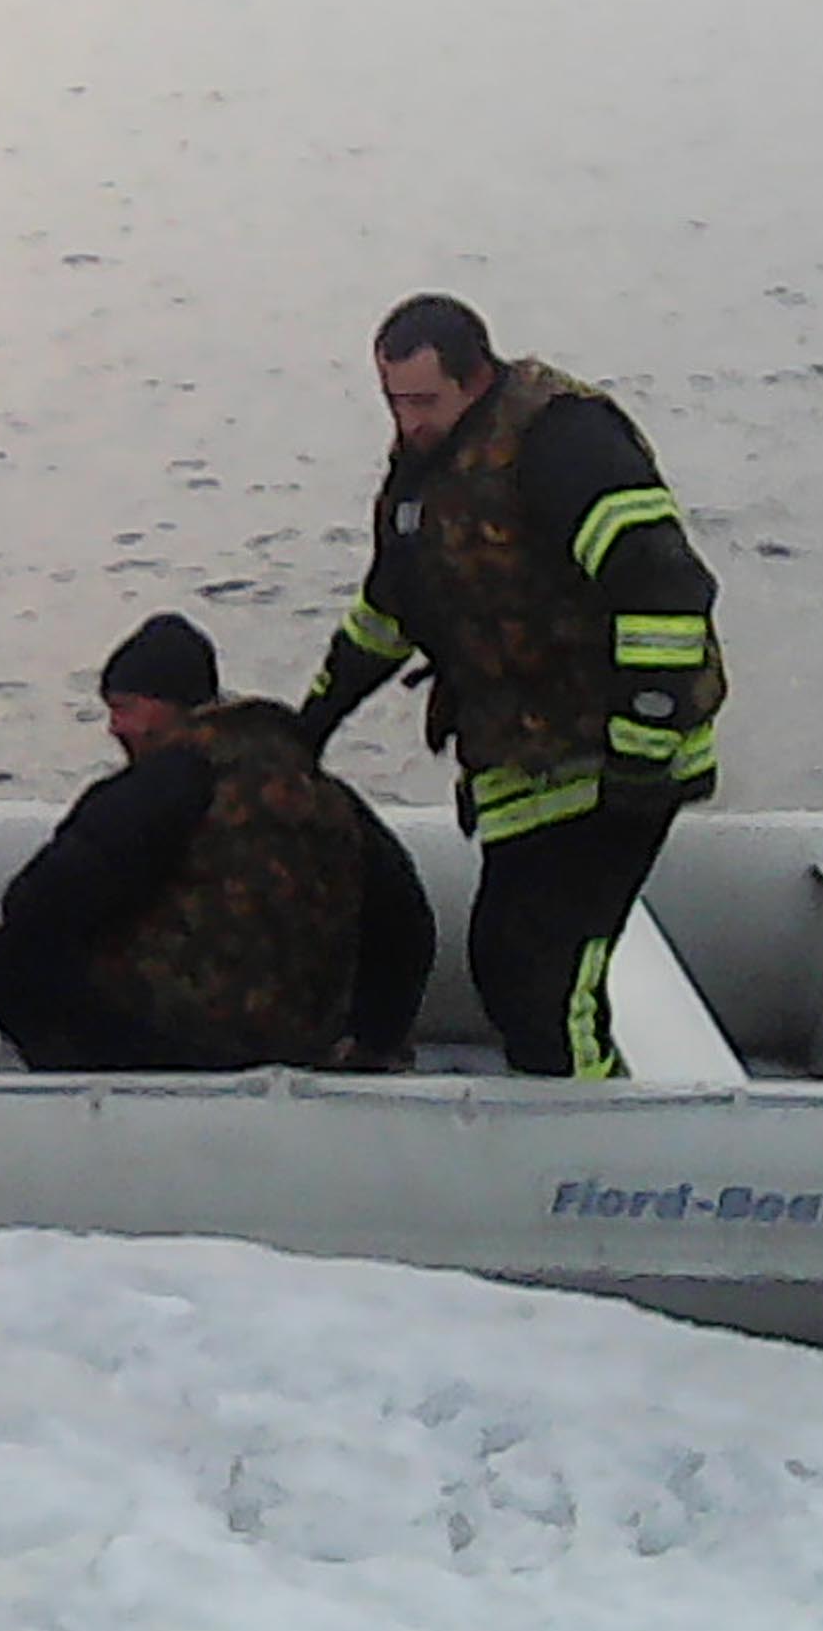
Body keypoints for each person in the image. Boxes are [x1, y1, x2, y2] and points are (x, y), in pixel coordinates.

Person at [296, 294, 726, 1079]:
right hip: (524, 758)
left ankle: (598, 1147)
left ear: (475, 377)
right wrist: (315, 719)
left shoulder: (562, 442)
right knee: (503, 960)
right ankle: (562, 1118)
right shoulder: (423, 470)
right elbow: (390, 609)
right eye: (393, 402)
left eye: (423, 401)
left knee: (549, 979)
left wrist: (644, 740)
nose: (407, 422)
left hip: (615, 753)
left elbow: (663, 584)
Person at [0, 613, 437, 1071]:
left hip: (183, 1041)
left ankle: (85, 1104)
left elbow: (40, 903)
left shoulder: (167, 785)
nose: (114, 727)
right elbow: (408, 922)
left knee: (7, 959)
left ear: (167, 705)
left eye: (124, 708)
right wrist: (375, 1039)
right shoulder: (322, 791)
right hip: (308, 1041)